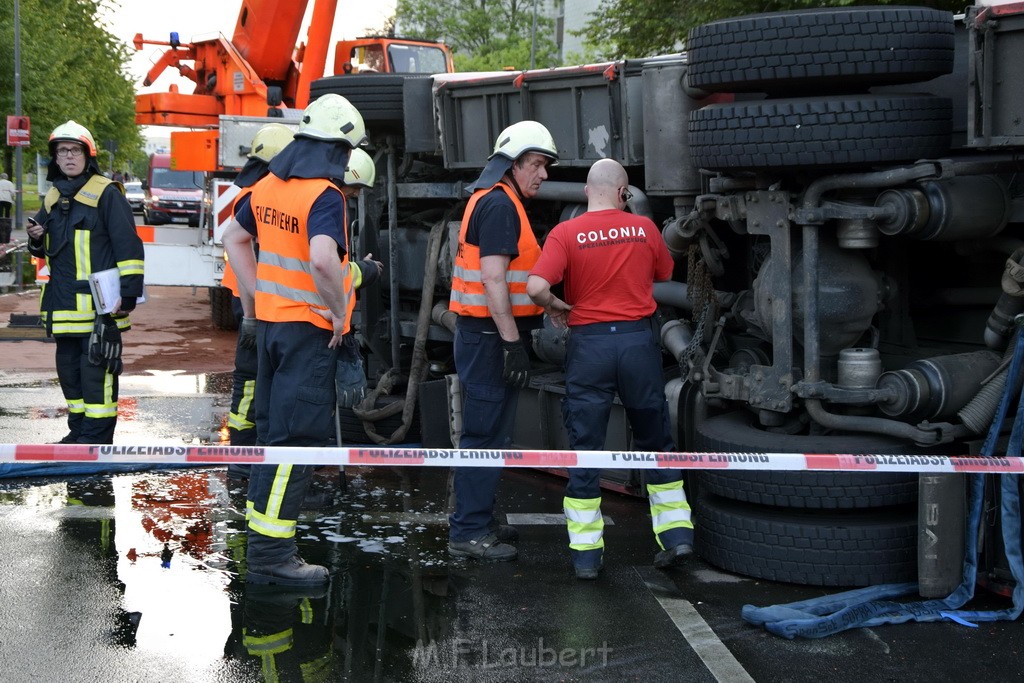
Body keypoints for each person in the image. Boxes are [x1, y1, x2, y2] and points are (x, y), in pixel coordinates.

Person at [526, 158, 694, 580]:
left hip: (591, 347)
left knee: (586, 446)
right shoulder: (645, 229)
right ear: (624, 194)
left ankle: (586, 557)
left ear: (586, 191)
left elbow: (535, 287)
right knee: (656, 437)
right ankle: (677, 537)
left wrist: (556, 306)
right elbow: (664, 273)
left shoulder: (566, 232)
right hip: (638, 343)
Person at [222, 94, 365, 587]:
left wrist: (258, 299)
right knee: (296, 441)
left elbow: (232, 239)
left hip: (272, 329)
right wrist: (341, 315)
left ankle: (264, 545)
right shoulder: (325, 195)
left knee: (271, 437)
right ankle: (271, 559)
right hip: (308, 334)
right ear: (339, 147)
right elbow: (324, 261)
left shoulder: (266, 186)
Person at [447, 120, 559, 561]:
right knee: (483, 434)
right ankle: (468, 531)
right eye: (537, 164)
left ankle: (479, 519)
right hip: (490, 338)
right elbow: (494, 280)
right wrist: (512, 343)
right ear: (512, 165)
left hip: (486, 335)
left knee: (492, 434)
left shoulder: (497, 200)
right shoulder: (499, 206)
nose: (543, 174)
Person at [26, 121, 144, 445]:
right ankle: (77, 434)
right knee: (71, 379)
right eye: (62, 151)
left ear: (87, 155)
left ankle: (96, 441)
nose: (68, 157)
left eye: (74, 150)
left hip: (98, 310)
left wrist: (130, 293)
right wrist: (36, 239)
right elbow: (46, 250)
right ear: (55, 158)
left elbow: (129, 247)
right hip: (63, 310)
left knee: (97, 379)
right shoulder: (52, 199)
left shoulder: (107, 194)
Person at [223, 123, 296, 474]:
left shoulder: (249, 191)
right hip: (255, 302)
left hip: (248, 296)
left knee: (248, 379)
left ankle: (243, 456)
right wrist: (253, 316)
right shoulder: (263, 195)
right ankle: (245, 458)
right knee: (253, 379)